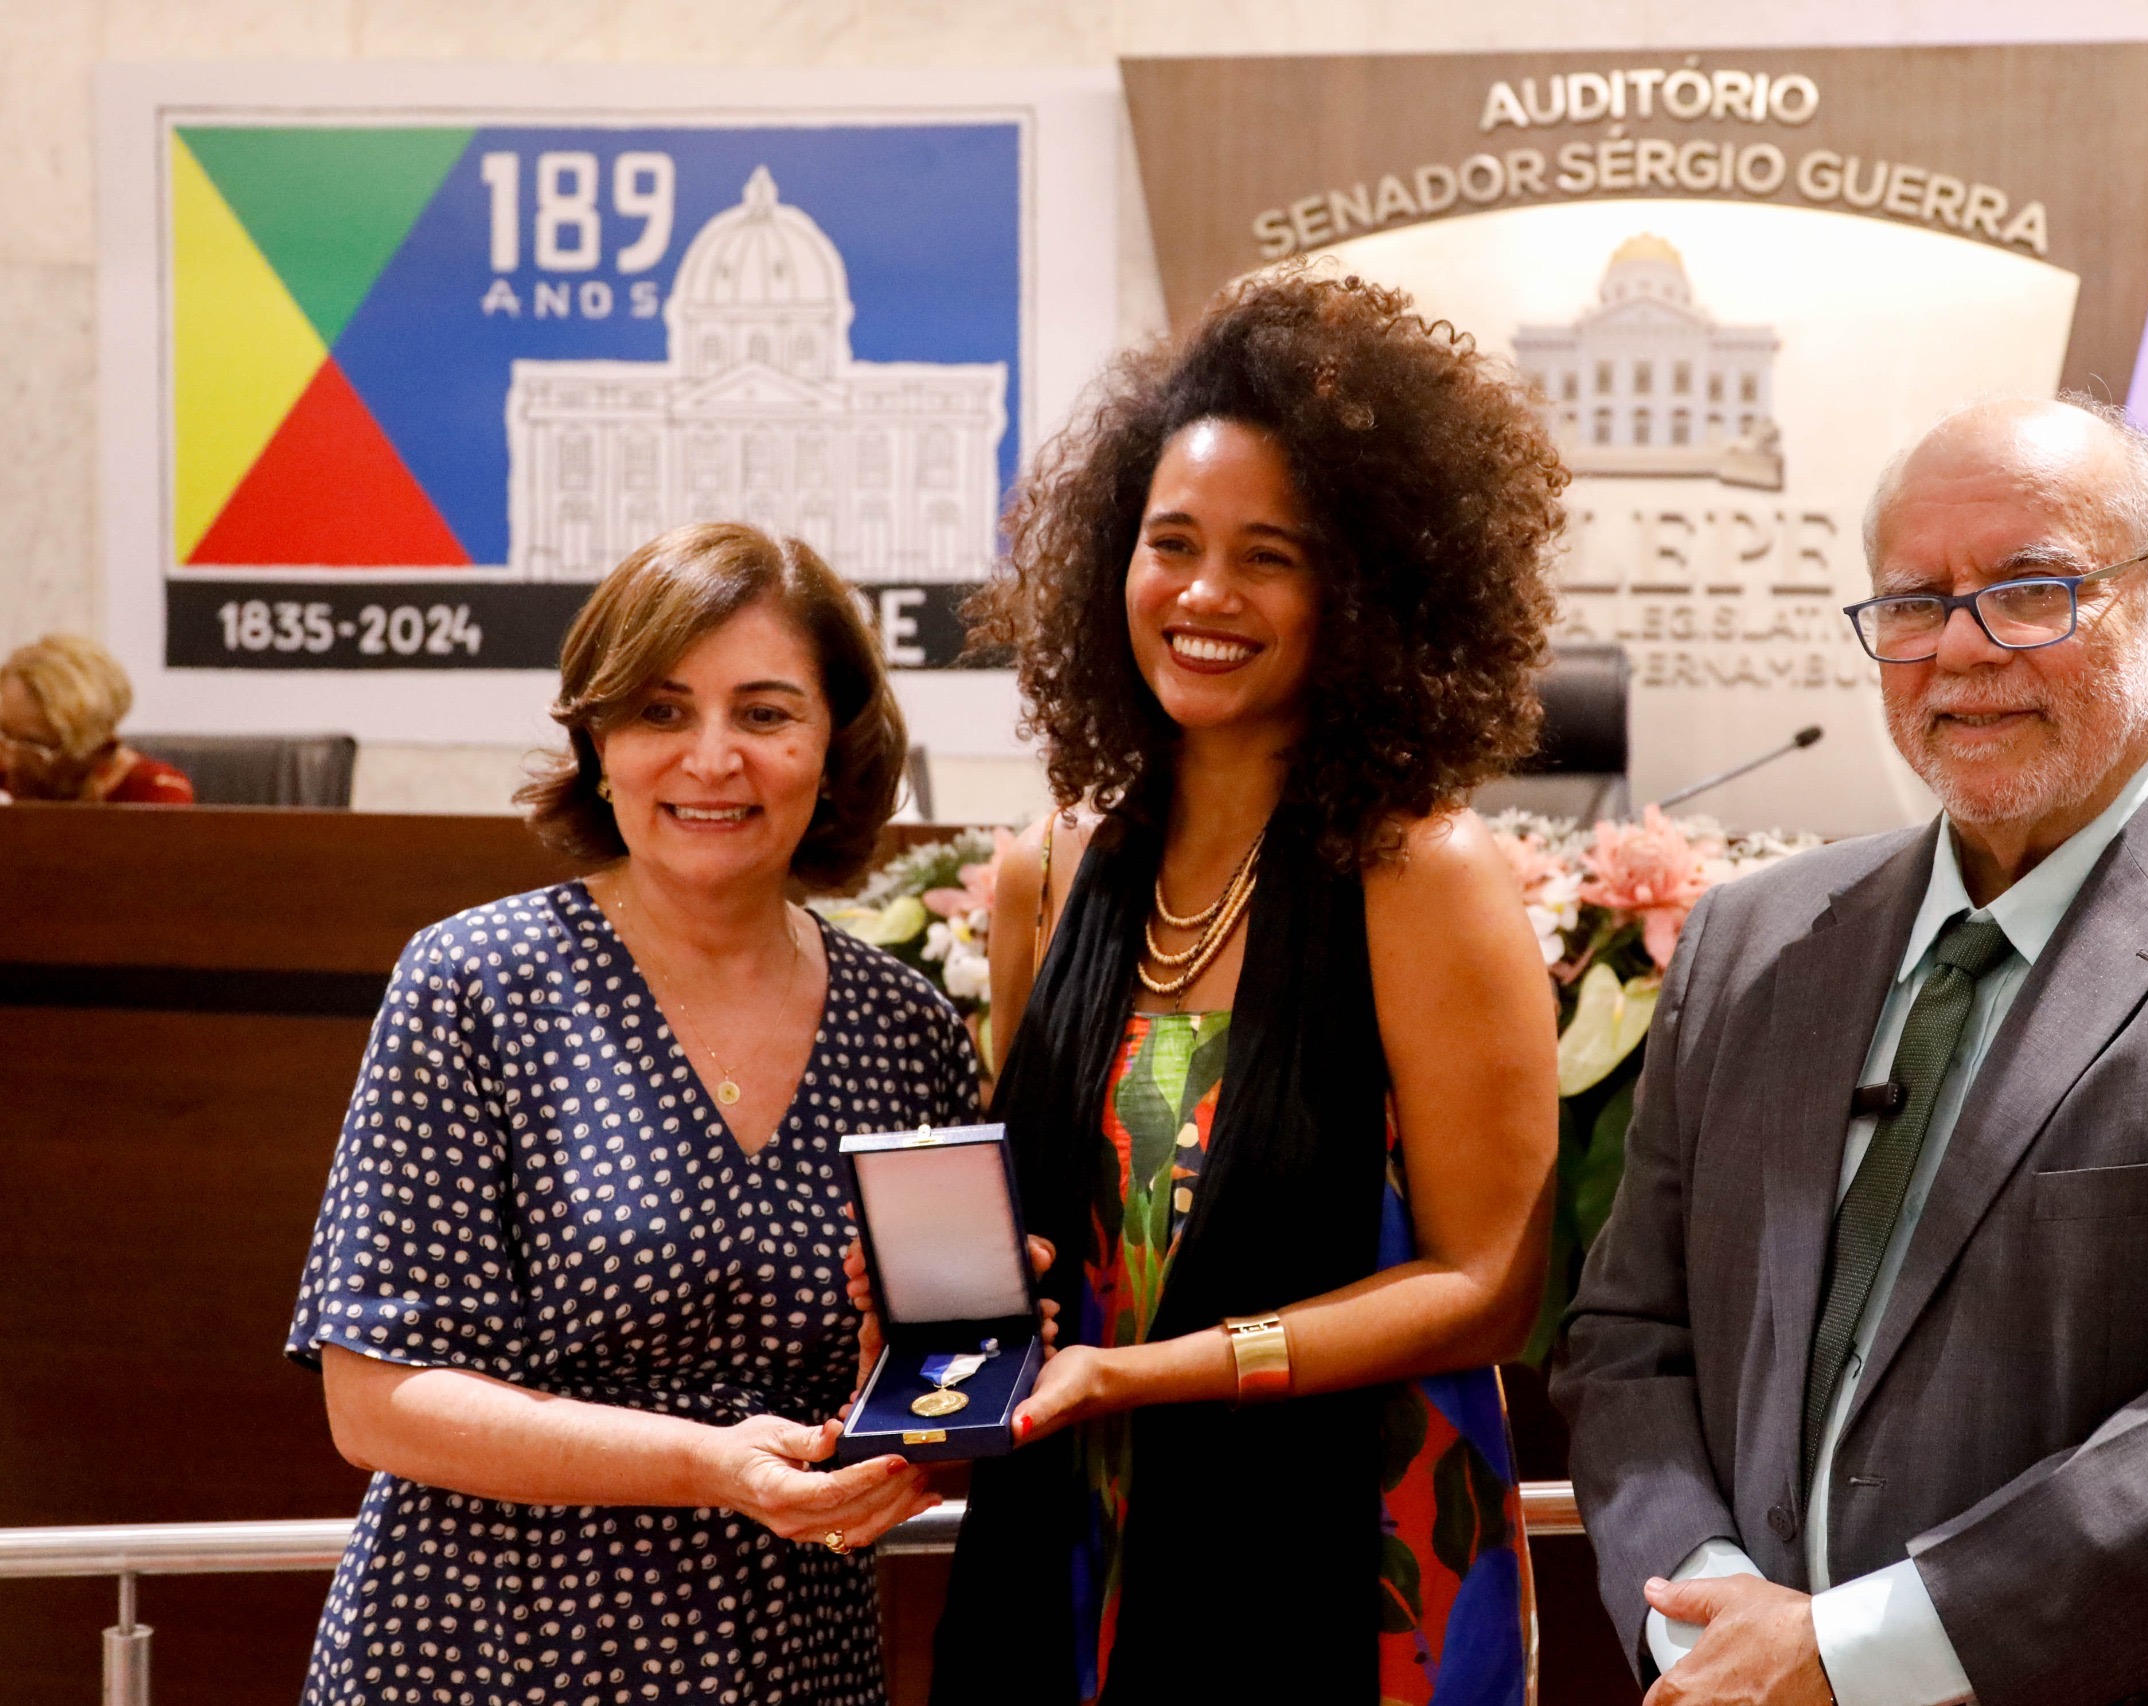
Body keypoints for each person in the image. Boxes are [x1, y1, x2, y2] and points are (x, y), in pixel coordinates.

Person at [1554, 397, 2148, 1706]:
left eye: (2031, 589)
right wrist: (1705, 1622)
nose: (1960, 649)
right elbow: (1628, 1340)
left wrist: (1846, 1655)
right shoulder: (1749, 942)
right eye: (1912, 602)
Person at [901, 271, 1564, 1705]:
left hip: (1348, 1545)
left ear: (1366, 591)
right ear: (1108, 563)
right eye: (1172, 543)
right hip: (1073, 1518)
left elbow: (1486, 1288)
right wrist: (942, 1288)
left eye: (1271, 554)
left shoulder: (1422, 872)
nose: (1206, 594)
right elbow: (1046, 1225)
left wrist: (1158, 1371)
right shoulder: (1051, 866)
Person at [287, 524, 978, 1706]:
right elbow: (375, 1399)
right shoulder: (475, 982)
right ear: (598, 744)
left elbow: (935, 1382)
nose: (713, 759)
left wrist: (940, 1385)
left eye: (765, 713)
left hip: (790, 1659)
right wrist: (709, 1466)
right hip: (487, 1651)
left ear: (834, 747)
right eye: (661, 712)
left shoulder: (906, 1028)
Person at [0, 633, 194, 803]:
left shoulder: (155, 796)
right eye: (3, 734)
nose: (8, 760)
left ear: (103, 750)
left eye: (34, 747)